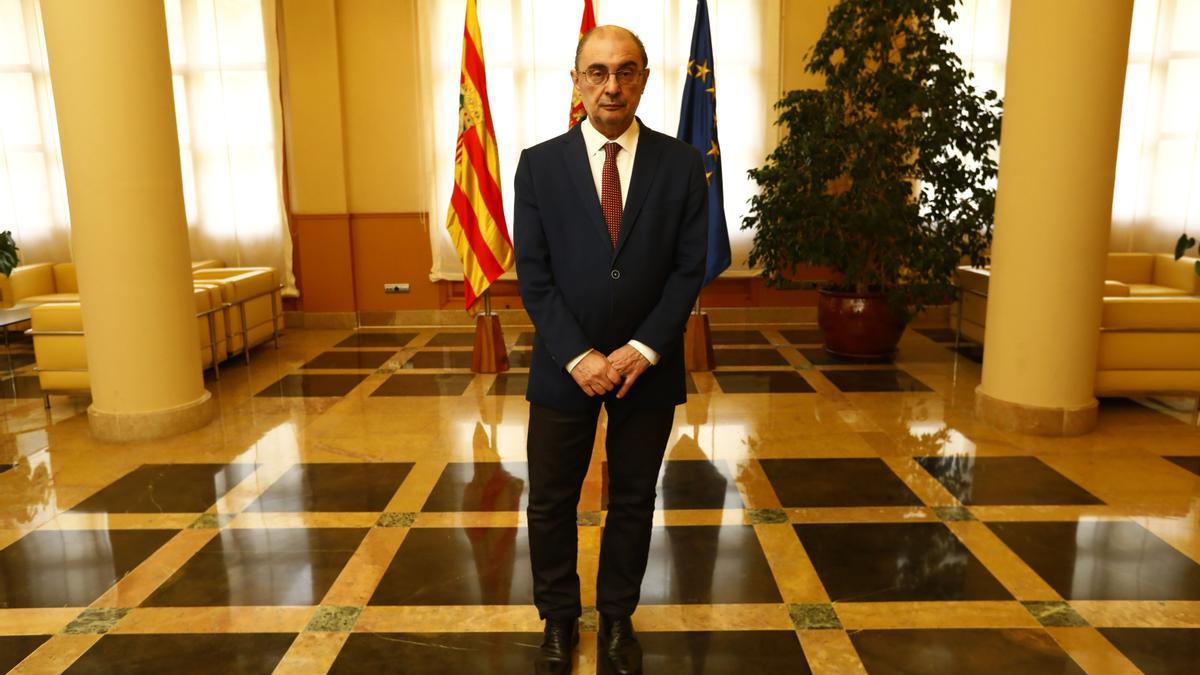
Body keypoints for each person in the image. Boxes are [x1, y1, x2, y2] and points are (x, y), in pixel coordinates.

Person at [514, 24, 708, 675]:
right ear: (576, 80)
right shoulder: (538, 165)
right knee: (550, 499)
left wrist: (642, 349)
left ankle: (618, 618)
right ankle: (559, 621)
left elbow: (688, 270)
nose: (612, 84)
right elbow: (533, 276)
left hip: (645, 371)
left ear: (645, 79)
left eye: (626, 71)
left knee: (633, 496)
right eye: (596, 71)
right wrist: (580, 357)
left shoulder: (683, 164)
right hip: (564, 365)